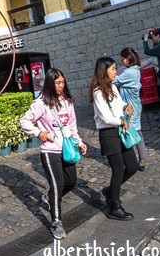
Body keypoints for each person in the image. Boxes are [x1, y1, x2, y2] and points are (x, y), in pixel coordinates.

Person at [21, 68, 86, 239]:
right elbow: (24, 120)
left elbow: (72, 126)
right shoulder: (41, 103)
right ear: (50, 83)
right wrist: (38, 133)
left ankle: (50, 198)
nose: (61, 86)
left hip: (66, 148)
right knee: (57, 185)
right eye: (58, 83)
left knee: (71, 182)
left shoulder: (67, 101)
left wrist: (79, 142)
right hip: (50, 151)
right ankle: (56, 221)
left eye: (63, 82)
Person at [90, 56, 137, 221]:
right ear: (104, 71)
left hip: (120, 130)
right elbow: (106, 117)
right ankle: (114, 206)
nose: (116, 71)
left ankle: (110, 191)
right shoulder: (97, 92)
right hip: (109, 134)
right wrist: (121, 121)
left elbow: (119, 104)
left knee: (132, 166)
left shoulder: (113, 87)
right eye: (113, 69)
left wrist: (126, 106)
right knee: (118, 169)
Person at [115, 48, 145, 171]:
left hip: (130, 107)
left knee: (130, 132)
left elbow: (114, 81)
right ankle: (141, 159)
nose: (122, 60)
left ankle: (134, 161)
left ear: (129, 58)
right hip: (135, 105)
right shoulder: (135, 70)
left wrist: (105, 71)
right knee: (137, 131)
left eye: (123, 58)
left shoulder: (130, 73)